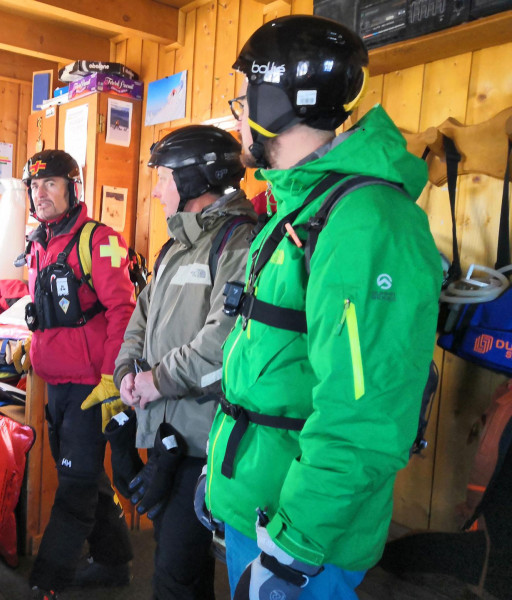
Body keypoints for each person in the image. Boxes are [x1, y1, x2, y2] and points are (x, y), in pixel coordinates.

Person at [203, 15, 442, 600]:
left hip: (304, 541)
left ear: (274, 104)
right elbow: (267, 365)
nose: (237, 118)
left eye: (244, 100)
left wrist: (294, 548)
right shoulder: (299, 208)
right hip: (257, 508)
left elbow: (363, 415)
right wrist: (222, 477)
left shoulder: (366, 223)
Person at [113, 125, 255, 600]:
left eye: (164, 177)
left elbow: (226, 341)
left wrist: (159, 380)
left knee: (177, 574)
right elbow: (142, 313)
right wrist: (129, 371)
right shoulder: (176, 244)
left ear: (195, 180)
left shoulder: (238, 242)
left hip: (206, 441)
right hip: (166, 430)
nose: (156, 189)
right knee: (178, 570)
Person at [22, 149, 135, 600]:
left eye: (50, 183)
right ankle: (113, 560)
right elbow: (40, 304)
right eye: (34, 186)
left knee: (74, 484)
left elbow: (123, 311)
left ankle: (48, 580)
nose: (40, 193)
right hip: (55, 382)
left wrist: (113, 377)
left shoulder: (99, 240)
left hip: (92, 387)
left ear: (73, 189)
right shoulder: (38, 242)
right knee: (85, 476)